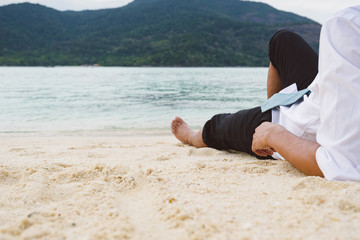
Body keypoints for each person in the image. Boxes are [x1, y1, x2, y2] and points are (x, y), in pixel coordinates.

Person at [171, 5, 360, 182]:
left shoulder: (347, 25)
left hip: (301, 129)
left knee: (220, 125)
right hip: (318, 95)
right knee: (282, 41)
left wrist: (273, 134)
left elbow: (340, 165)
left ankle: (193, 137)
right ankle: (270, 110)